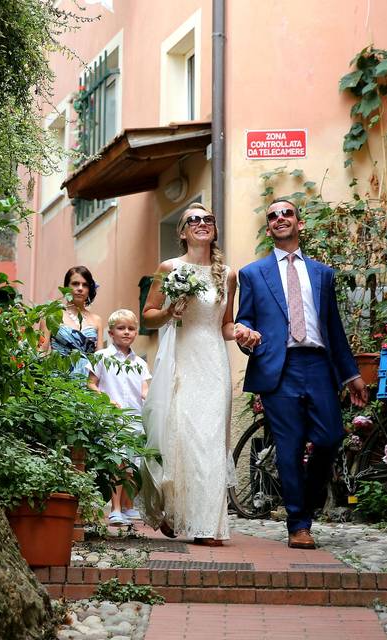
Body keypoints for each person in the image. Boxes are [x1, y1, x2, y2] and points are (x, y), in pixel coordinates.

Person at [234, 199, 368, 550]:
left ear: (300, 224)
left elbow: (334, 328)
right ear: (268, 229)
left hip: (318, 365)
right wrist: (245, 333)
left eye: (287, 213)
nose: (280, 218)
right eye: (273, 216)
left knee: (330, 436)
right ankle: (299, 524)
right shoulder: (252, 274)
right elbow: (245, 318)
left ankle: (305, 503)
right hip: (278, 368)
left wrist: (350, 374)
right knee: (289, 448)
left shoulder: (323, 274)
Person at [138, 203, 240, 546]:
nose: (201, 223)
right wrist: (169, 310)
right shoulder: (168, 268)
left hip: (212, 359)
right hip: (180, 358)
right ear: (182, 232)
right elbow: (147, 316)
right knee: (180, 436)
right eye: (193, 220)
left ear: (214, 229)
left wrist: (241, 332)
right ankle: (174, 507)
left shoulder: (228, 274)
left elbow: (225, 325)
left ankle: (207, 525)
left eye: (208, 219)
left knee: (211, 440)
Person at [88, 309, 152, 526]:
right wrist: (105, 401)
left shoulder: (140, 363)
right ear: (111, 332)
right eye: (121, 328)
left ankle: (128, 505)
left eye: (131, 328)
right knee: (118, 462)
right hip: (112, 418)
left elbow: (144, 390)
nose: (126, 332)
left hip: (135, 418)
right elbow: (90, 385)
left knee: (134, 463)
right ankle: (115, 508)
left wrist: (152, 399)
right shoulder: (101, 357)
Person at [41, 266, 105, 377]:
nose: (80, 288)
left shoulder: (97, 320)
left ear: (89, 289)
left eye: (85, 285)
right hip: (58, 381)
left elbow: (99, 359)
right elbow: (41, 351)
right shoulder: (51, 315)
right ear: (66, 287)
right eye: (75, 284)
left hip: (86, 383)